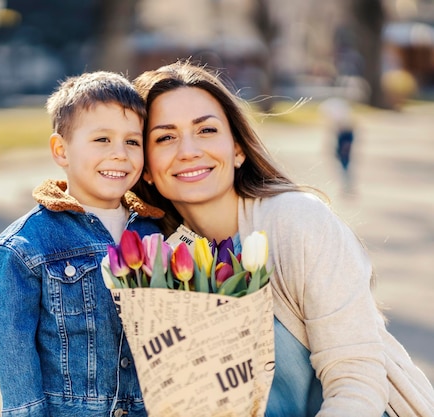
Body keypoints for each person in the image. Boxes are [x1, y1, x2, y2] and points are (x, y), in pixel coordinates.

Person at [131, 60, 434, 417]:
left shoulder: (296, 220)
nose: (188, 150)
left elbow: (355, 378)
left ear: (238, 149)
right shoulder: (153, 257)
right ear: (146, 167)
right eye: (165, 137)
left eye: (207, 130)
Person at [0, 71, 164, 417]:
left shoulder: (157, 232)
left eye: (132, 141)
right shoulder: (21, 249)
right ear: (61, 150)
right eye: (102, 140)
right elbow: (20, 390)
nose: (120, 155)